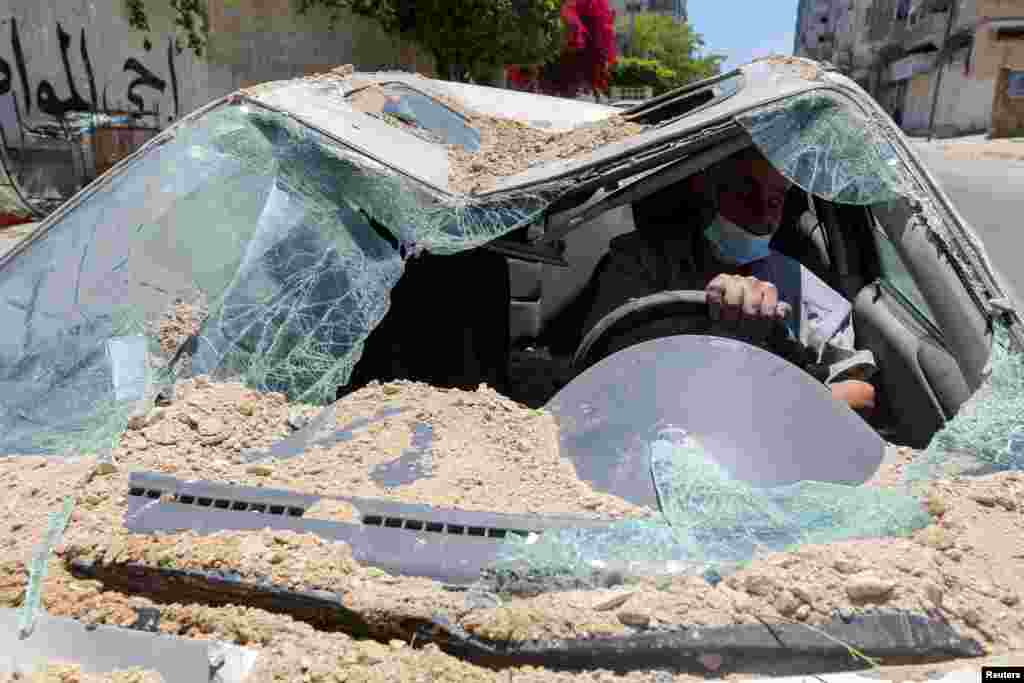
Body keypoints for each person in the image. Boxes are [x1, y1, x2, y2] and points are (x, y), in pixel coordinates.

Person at [582, 146, 878, 415]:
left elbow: (860, 393)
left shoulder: (795, 281)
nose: (762, 215)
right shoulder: (640, 261)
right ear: (705, 187)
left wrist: (768, 398)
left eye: (774, 200)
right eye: (745, 192)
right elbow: (599, 380)